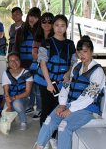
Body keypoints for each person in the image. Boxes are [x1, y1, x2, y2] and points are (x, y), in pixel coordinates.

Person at [35, 36, 106, 149]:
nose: (81, 55)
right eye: (79, 52)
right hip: (69, 104)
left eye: (85, 51)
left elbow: (89, 97)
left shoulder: (98, 71)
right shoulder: (76, 67)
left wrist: (70, 109)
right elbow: (66, 86)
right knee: (49, 120)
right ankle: (38, 147)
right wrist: (62, 104)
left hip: (87, 109)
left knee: (63, 126)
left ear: (91, 52)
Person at [34, 14, 77, 149]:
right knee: (46, 110)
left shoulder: (70, 44)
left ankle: (53, 137)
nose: (59, 28)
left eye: (62, 26)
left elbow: (74, 62)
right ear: (53, 26)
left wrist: (68, 73)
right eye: (57, 25)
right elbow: (42, 64)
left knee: (58, 110)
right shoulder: (46, 43)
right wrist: (48, 83)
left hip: (61, 83)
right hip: (46, 82)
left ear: (66, 27)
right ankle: (44, 139)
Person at [14, 7, 42, 119]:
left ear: (39, 19)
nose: (32, 19)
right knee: (28, 87)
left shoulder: (40, 31)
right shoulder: (21, 30)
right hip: (24, 64)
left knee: (38, 87)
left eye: (35, 17)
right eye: (31, 16)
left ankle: (40, 109)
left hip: (36, 64)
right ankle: (30, 105)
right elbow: (15, 47)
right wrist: (15, 62)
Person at [30, 12, 54, 120]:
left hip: (53, 72)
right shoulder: (38, 37)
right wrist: (43, 60)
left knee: (53, 98)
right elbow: (34, 54)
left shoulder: (56, 37)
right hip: (41, 71)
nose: (47, 23)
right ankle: (42, 113)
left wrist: (43, 59)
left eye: (50, 21)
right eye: (44, 21)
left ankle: (51, 117)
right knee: (41, 93)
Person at [2, 52, 33, 130]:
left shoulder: (27, 73)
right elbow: (6, 92)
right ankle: (14, 114)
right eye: (11, 61)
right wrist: (8, 106)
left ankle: (23, 122)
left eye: (16, 60)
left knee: (17, 104)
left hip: (24, 98)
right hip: (10, 98)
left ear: (20, 61)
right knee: (5, 111)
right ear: (8, 63)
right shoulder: (6, 73)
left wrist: (13, 98)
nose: (14, 63)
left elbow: (27, 92)